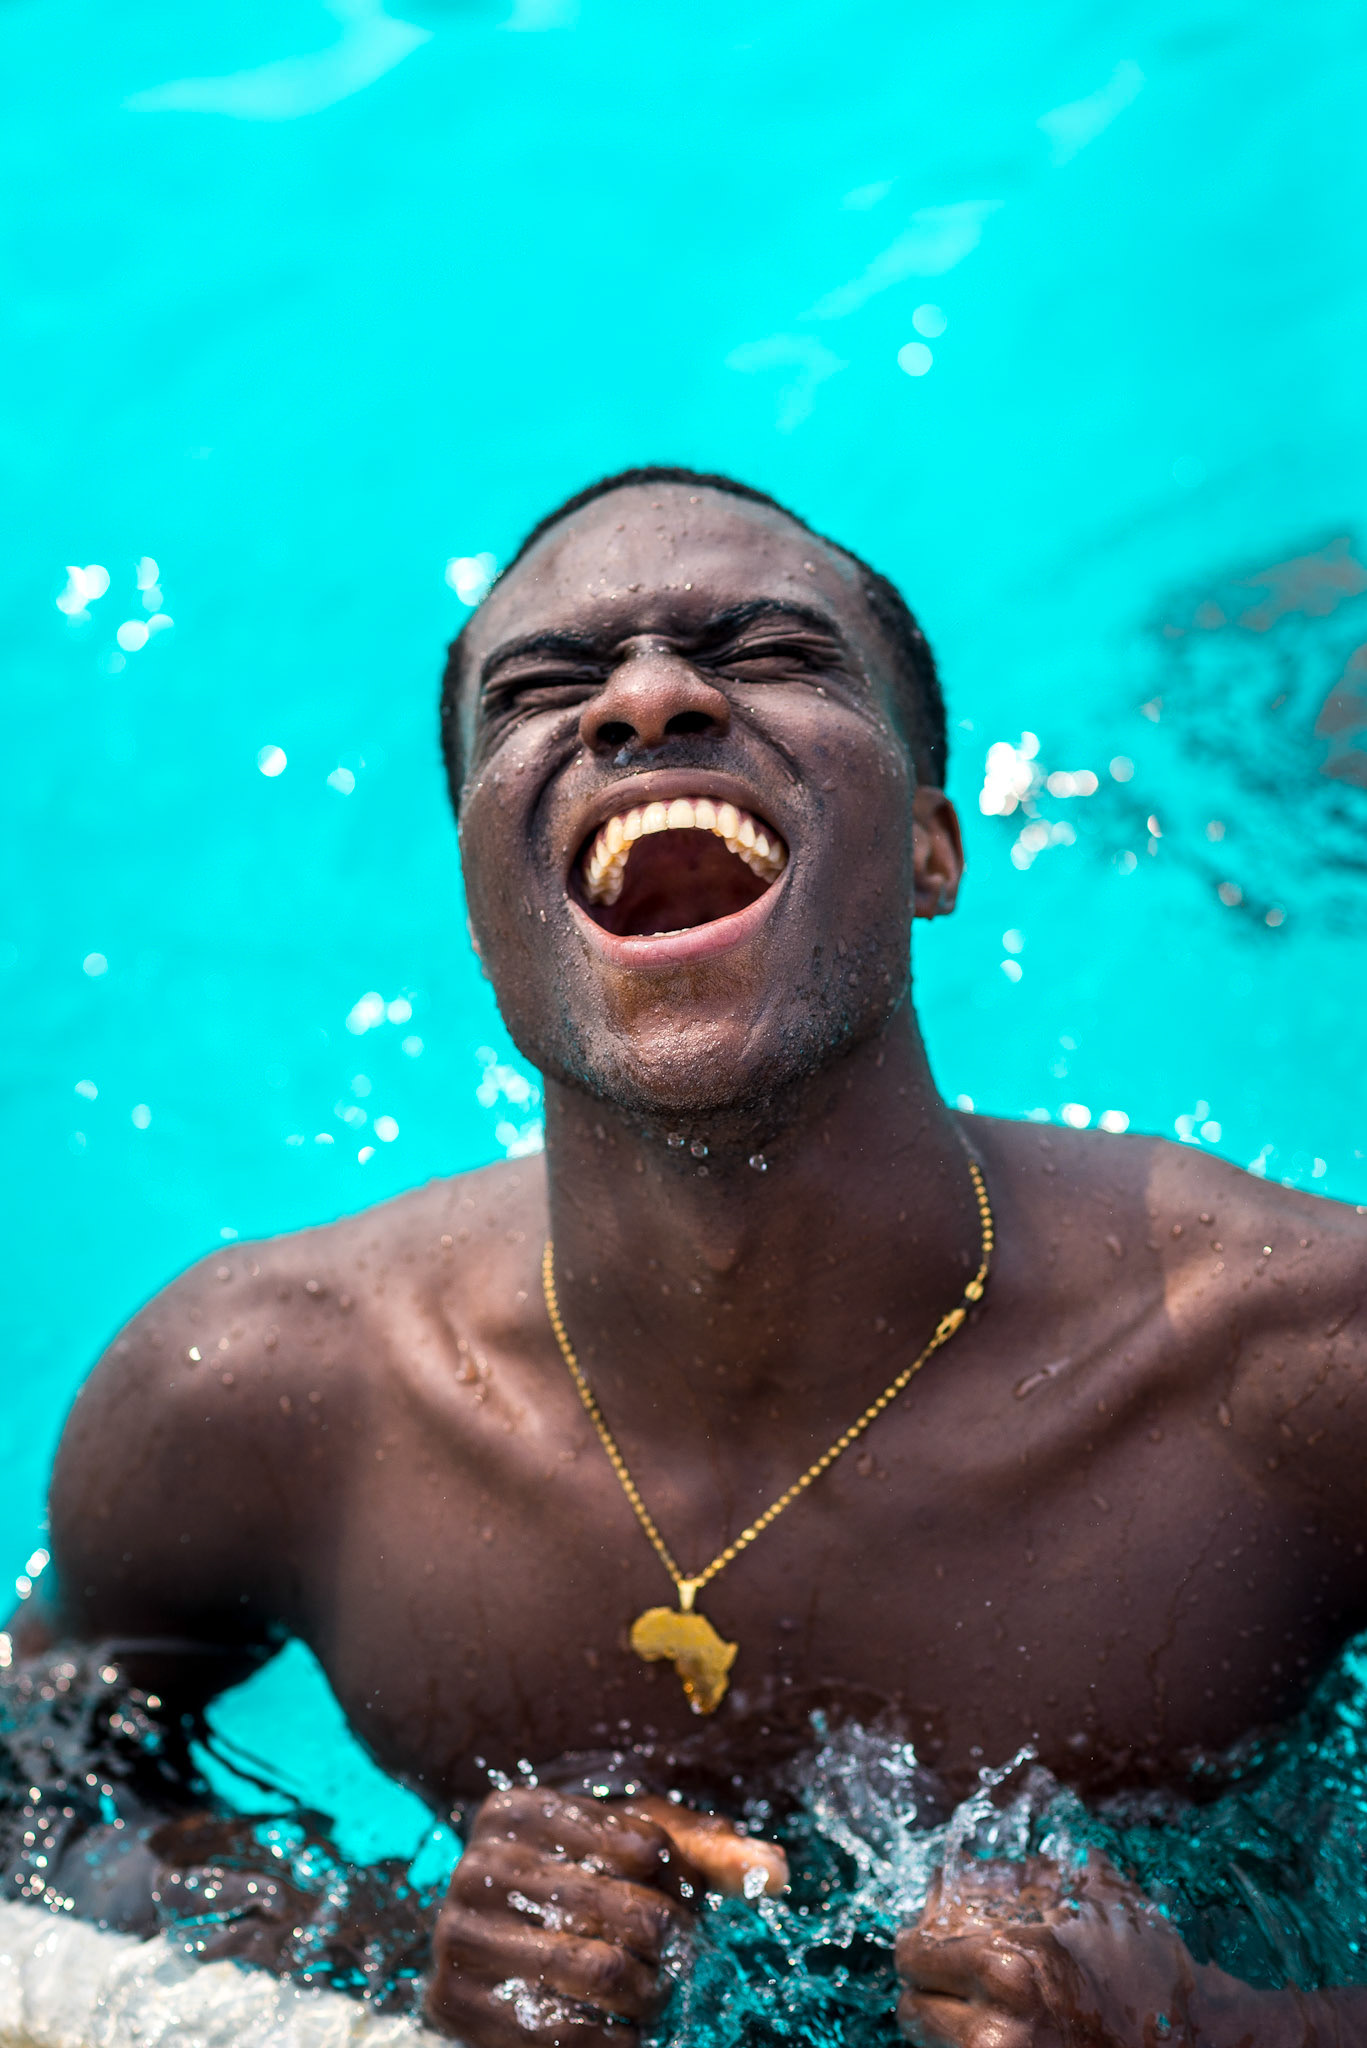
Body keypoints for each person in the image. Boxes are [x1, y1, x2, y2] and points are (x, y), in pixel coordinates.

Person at [7, 466, 1367, 2047]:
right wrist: (384, 1954)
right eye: (545, 687)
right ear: (479, 907)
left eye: (771, 654)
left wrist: (1211, 2026)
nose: (646, 699)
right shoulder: (265, 1399)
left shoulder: (1294, 1365)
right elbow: (35, 1788)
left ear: (935, 850)